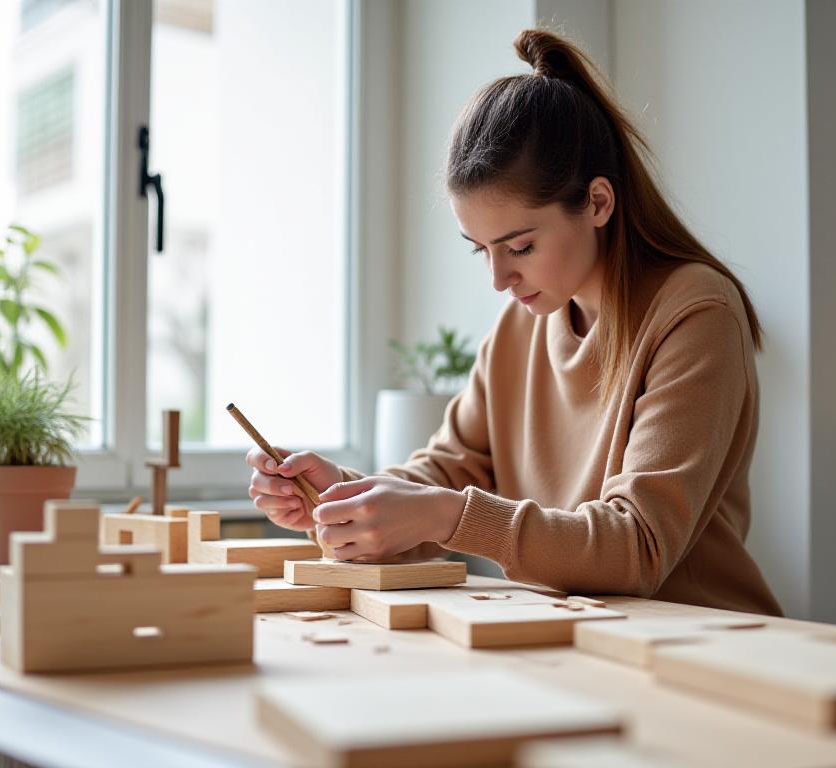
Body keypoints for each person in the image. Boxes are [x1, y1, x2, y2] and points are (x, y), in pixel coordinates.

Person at [247, 28, 782, 615]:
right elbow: (446, 473)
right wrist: (343, 495)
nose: (499, 279)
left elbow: (638, 547)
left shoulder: (695, 313)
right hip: (580, 643)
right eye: (481, 250)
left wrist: (443, 514)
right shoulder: (520, 326)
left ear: (598, 203)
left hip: (707, 648)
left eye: (520, 247)